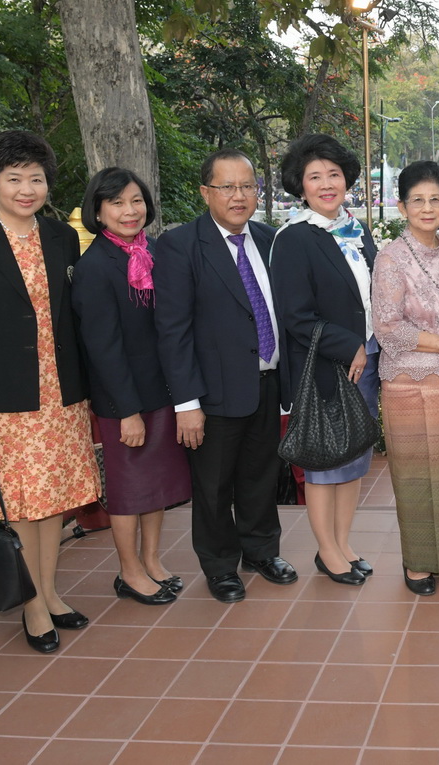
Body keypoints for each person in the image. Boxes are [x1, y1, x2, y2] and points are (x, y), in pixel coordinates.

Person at [0, 130, 100, 652]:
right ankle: (31, 605)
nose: (27, 189)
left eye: (36, 178)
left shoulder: (60, 237)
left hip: (62, 393)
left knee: (54, 503)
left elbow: (72, 319)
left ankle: (49, 592)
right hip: (4, 399)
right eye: (14, 179)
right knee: (22, 506)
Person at [154, 149, 297, 603]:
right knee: (213, 486)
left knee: (260, 474)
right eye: (227, 187)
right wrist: (186, 403)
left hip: (268, 381)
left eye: (248, 186)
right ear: (205, 192)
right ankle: (219, 565)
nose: (239, 196)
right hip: (212, 393)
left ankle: (261, 550)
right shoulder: (180, 246)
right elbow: (172, 331)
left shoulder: (271, 239)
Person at [72, 167, 192, 606]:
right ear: (98, 211)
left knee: (156, 484)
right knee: (128, 489)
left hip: (160, 389)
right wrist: (126, 410)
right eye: (117, 203)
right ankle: (128, 572)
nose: (129, 210)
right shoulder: (94, 267)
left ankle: (152, 560)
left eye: (136, 201)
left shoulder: (156, 252)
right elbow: (102, 348)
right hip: (122, 399)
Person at [270, 134, 378, 587]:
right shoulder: (296, 237)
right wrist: (347, 344)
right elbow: (295, 314)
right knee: (324, 458)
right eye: (315, 176)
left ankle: (344, 541)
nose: (327, 184)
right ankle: (326, 550)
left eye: (334, 174)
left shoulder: (357, 229)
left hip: (367, 357)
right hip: (325, 364)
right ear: (301, 185)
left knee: (353, 453)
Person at [372, 160, 439, 595]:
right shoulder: (391, 257)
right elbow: (387, 327)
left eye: (436, 199)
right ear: (401, 206)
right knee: (414, 473)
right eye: (418, 200)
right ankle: (417, 563)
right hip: (406, 382)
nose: (428, 208)